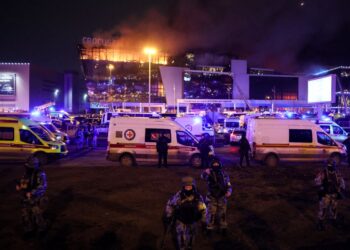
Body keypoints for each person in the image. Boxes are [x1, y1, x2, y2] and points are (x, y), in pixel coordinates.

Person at [164, 176, 206, 250]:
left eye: (190, 187)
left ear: (193, 186)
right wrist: (169, 215)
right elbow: (170, 205)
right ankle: (182, 247)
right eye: (186, 187)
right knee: (181, 236)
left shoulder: (197, 197)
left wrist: (204, 220)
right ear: (183, 187)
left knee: (192, 235)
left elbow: (203, 209)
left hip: (193, 219)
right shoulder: (178, 196)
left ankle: (190, 247)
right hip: (181, 219)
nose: (188, 188)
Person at [16, 157, 48, 236]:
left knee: (36, 213)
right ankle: (29, 228)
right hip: (25, 197)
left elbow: (43, 186)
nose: (27, 167)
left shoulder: (40, 173)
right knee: (25, 214)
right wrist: (20, 186)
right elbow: (24, 182)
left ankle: (41, 229)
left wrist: (33, 193)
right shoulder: (27, 173)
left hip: (35, 198)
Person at [201, 158, 232, 236]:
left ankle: (223, 227)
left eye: (217, 165)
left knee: (222, 213)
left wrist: (229, 191)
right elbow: (202, 177)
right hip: (212, 197)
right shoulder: (209, 173)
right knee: (211, 213)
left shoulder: (224, 174)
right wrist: (205, 172)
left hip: (222, 196)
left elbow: (228, 184)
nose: (216, 166)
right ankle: (209, 228)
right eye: (214, 165)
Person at [315, 159, 346, 230]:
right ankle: (320, 223)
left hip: (334, 194)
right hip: (326, 195)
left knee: (334, 209)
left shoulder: (337, 173)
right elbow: (317, 182)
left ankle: (333, 221)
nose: (332, 166)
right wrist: (322, 186)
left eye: (332, 165)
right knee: (323, 209)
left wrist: (341, 189)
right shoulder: (323, 173)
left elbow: (341, 181)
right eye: (330, 165)